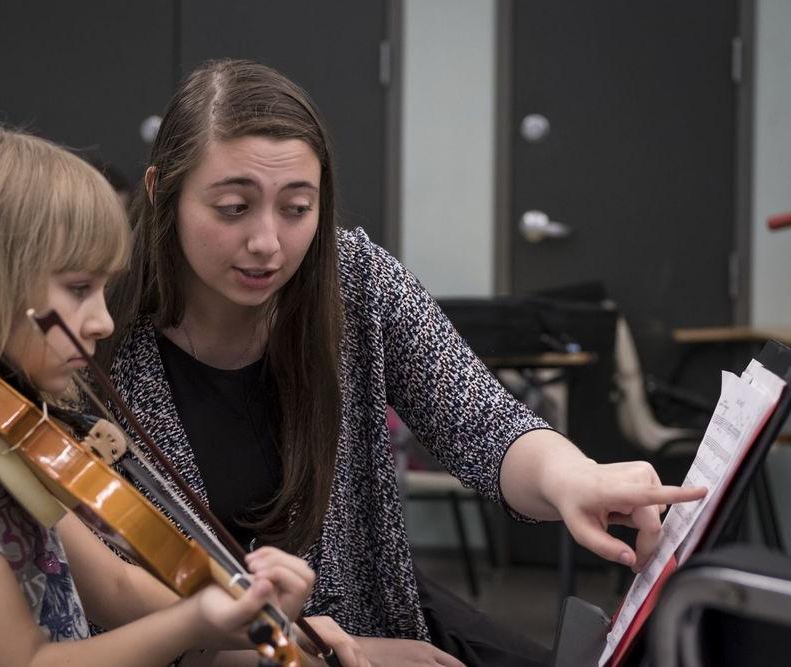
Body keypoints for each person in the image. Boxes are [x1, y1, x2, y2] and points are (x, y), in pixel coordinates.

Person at [99, 59, 707, 667]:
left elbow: (482, 422)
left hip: (377, 619)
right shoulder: (99, 336)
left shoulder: (355, 278)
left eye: (297, 207)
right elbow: (120, 607)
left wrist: (572, 478)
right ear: (161, 193)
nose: (267, 243)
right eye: (233, 207)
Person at [0, 120, 344, 667]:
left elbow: (117, 589)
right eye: (79, 289)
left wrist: (266, 626)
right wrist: (198, 619)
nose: (101, 321)